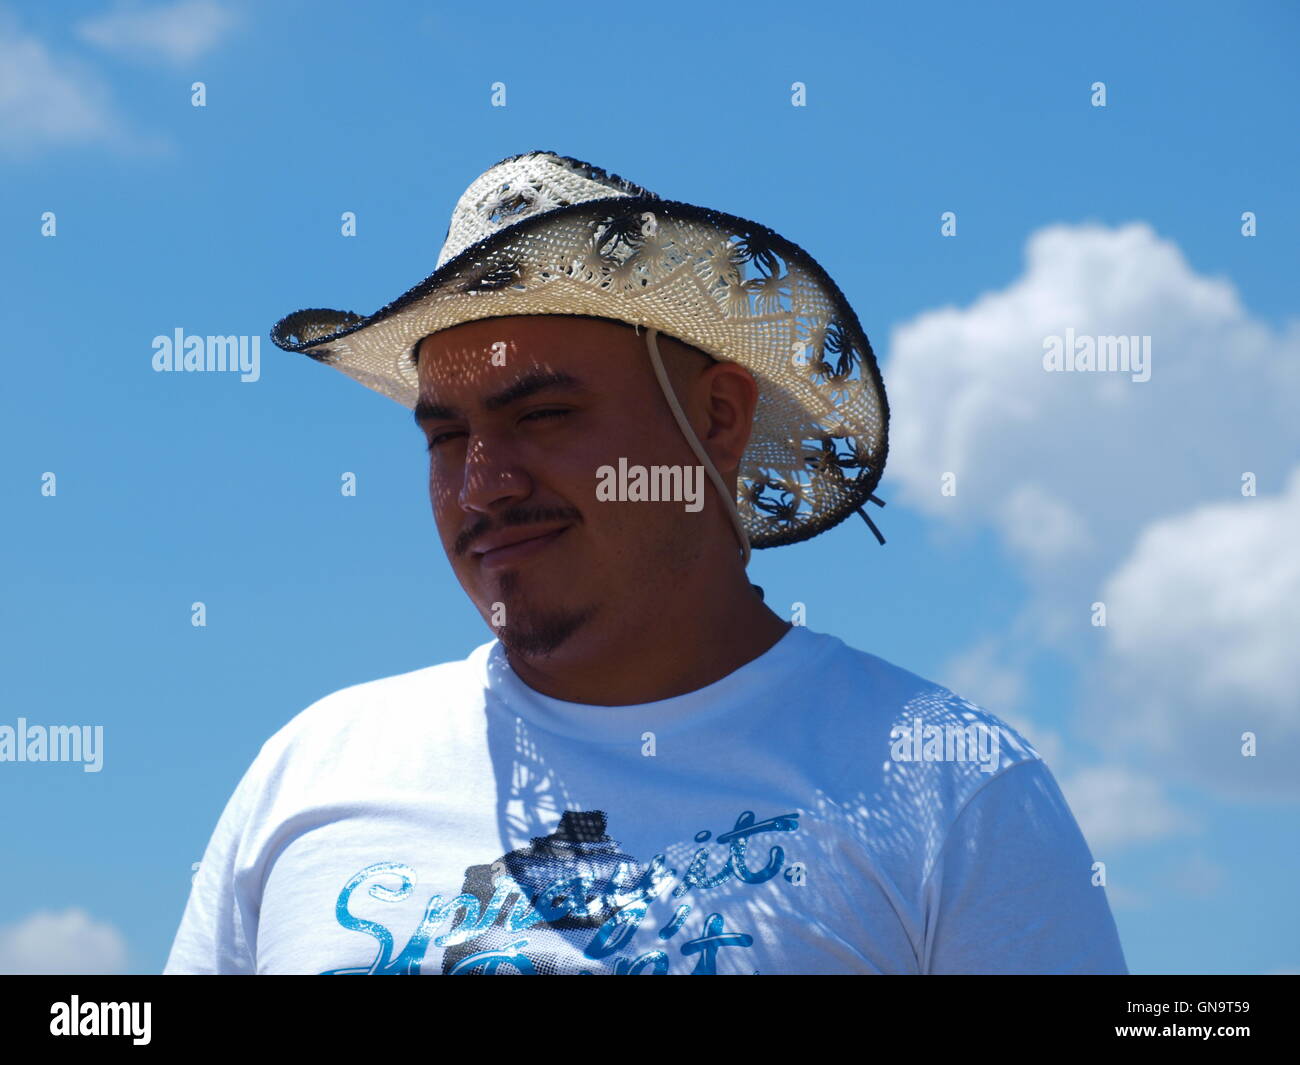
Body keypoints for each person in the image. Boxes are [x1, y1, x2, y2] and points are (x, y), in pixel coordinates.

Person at [164, 150, 1127, 975]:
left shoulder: (951, 789)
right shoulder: (310, 774)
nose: (482, 485)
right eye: (446, 437)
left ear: (717, 418)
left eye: (542, 416)